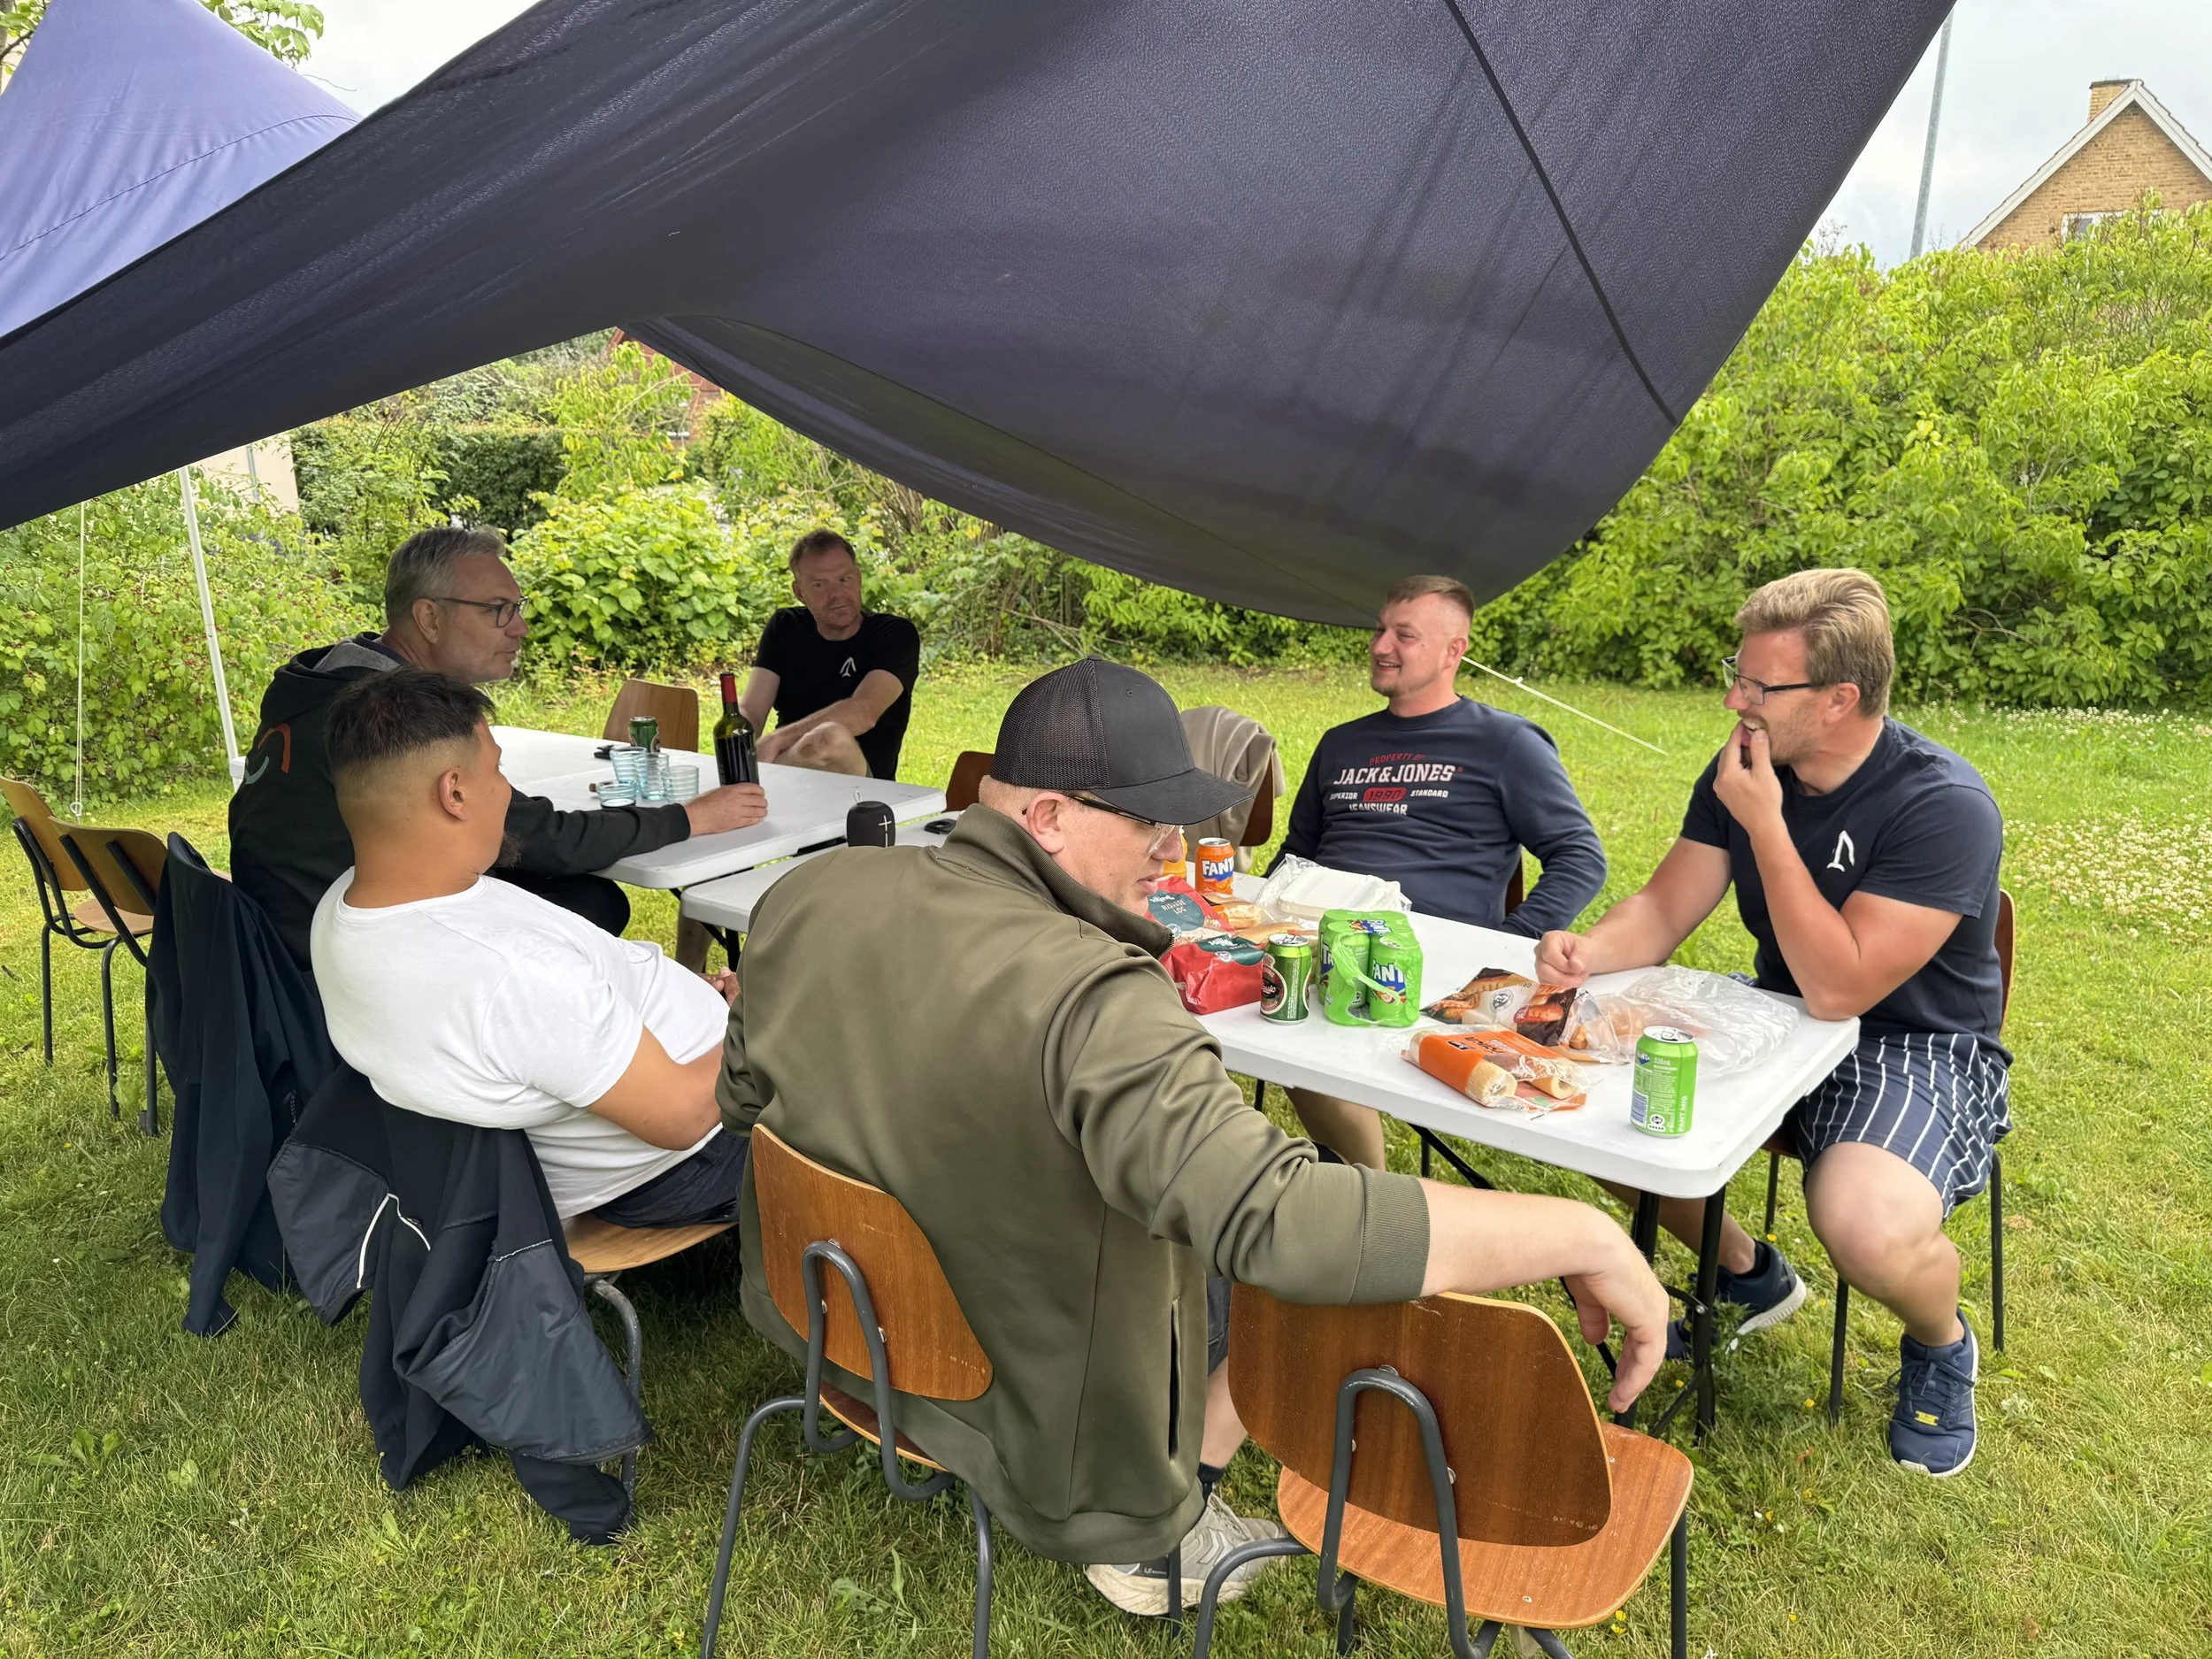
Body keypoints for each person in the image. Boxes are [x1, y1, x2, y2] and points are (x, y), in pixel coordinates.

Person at [717, 656, 1667, 1616]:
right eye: (1149, 822)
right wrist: (1584, 1232)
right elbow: (1288, 1227)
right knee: (1310, 1269)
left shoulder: (810, 893)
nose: (1174, 851)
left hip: (839, 1320)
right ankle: (1156, 1542)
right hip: (1028, 1391)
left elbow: (743, 1105)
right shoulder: (1088, 991)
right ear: (1046, 817)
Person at [1535, 569, 2008, 1479]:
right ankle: (1747, 1274)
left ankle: (1941, 1343)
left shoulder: (1940, 804)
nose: (1733, 700)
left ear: (1838, 700)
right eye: (1736, 675)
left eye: (1759, 686)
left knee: (1863, 1226)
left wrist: (1767, 827)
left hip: (1912, 1043)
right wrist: (1590, 952)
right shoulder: (1749, 770)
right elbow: (1668, 905)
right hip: (1774, 1021)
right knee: (1587, 1117)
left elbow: (1842, 987)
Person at [311, 669, 745, 1228]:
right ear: (455, 792)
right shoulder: (506, 974)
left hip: (647, 1089)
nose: (508, 790)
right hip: (691, 1155)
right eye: (496, 768)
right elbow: (683, 1116)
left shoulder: (345, 908)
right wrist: (751, 1020)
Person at [230, 526, 767, 968]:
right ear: (429, 618)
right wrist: (689, 818)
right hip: (349, 957)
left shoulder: (325, 683)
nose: (521, 629)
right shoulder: (391, 712)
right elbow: (542, 838)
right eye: (498, 610)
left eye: (518, 607)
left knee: (575, 893)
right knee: (591, 900)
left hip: (278, 941)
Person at [1272, 574, 1608, 1168]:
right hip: (1323, 941)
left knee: (1312, 1047)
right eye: (1381, 629)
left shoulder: (1506, 744)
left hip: (1433, 960)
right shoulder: (1340, 744)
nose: (1381, 645)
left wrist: (1506, 942)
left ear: (1455, 650)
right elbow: (1297, 853)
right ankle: (1356, 1191)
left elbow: (1580, 855)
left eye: (1404, 634)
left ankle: (1363, 1201)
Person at [738, 529, 920, 779]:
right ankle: (751, 783)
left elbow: (863, 712)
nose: (836, 594)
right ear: (799, 592)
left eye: (844, 579)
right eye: (820, 584)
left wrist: (777, 741)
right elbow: (751, 710)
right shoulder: (785, 627)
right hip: (791, 775)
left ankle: (758, 780)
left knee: (831, 738)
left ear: (858, 578)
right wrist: (735, 740)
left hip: (864, 793)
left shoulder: (894, 634)